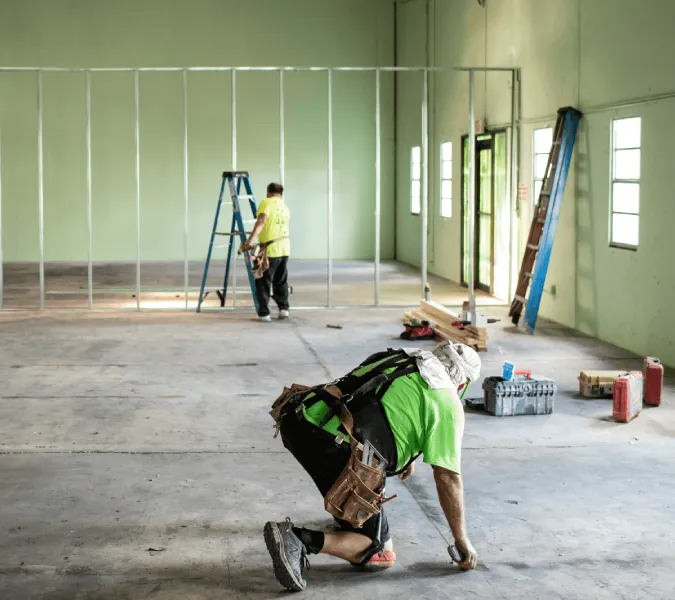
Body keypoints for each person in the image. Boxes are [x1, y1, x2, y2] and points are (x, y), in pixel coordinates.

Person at [264, 341, 481, 592]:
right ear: (463, 383)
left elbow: (373, 403)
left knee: (359, 495)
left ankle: (345, 519)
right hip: (333, 449)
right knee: (378, 552)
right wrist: (461, 539)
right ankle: (298, 539)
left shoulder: (400, 357)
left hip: (298, 418)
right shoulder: (447, 402)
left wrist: (401, 455)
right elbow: (447, 477)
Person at [241, 183, 291, 322]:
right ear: (280, 193)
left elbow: (261, 221)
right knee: (280, 280)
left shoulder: (266, 202)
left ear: (268, 192)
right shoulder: (285, 206)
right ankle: (284, 309)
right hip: (285, 248)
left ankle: (264, 314)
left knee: (262, 280)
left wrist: (250, 240)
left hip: (269, 250)